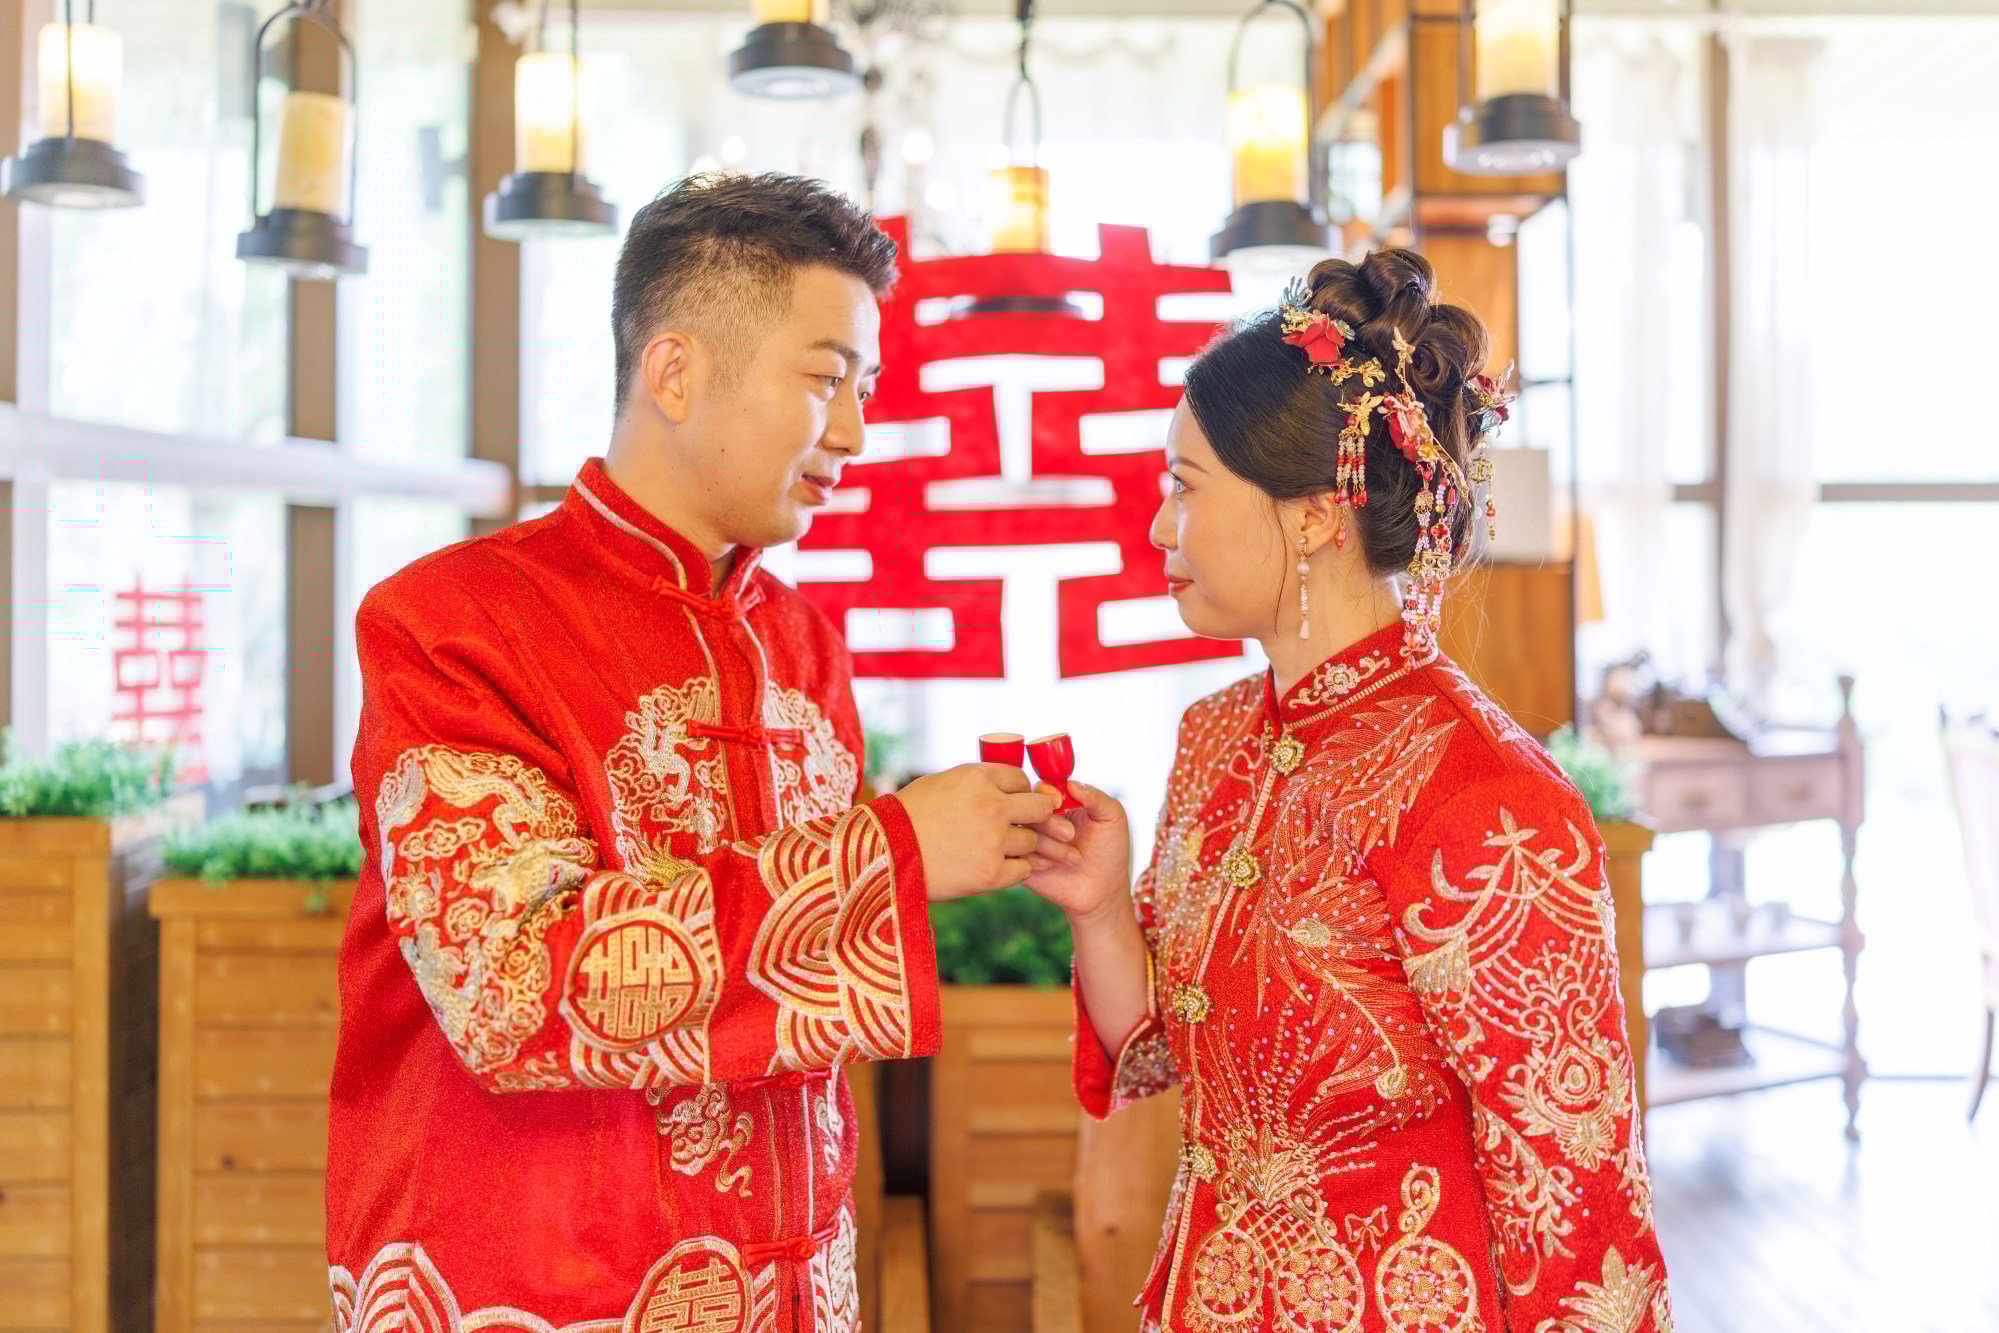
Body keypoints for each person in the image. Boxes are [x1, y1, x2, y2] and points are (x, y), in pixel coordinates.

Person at [325, 172, 1056, 1331]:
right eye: (826, 380)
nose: (856, 432)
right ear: (674, 372)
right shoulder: (452, 624)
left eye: (862, 385)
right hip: (538, 1283)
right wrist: (895, 850)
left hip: (788, 1281)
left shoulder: (803, 645)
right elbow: (510, 985)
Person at [1025, 249, 1672, 1332]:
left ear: (1318, 511)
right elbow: (1165, 1054)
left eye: (1182, 488)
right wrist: (1098, 904)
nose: (1155, 529)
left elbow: (1580, 1208)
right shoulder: (1217, 738)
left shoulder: (1485, 797)